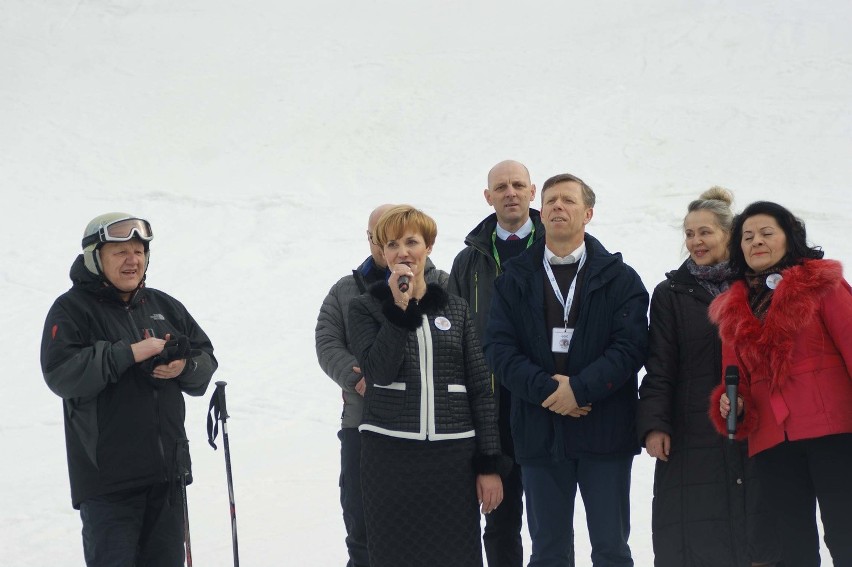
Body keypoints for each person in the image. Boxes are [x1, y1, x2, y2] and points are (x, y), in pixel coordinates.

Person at [485, 173, 649, 567]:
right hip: (539, 433)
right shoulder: (514, 279)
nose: (558, 206)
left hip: (605, 432)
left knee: (611, 549)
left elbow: (630, 348)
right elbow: (498, 348)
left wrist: (579, 390)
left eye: (569, 200)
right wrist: (548, 391)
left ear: (588, 213)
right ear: (542, 213)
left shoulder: (620, 278)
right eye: (552, 199)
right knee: (548, 553)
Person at [40, 213, 217, 567]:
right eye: (120, 252)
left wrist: (184, 367)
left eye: (139, 251)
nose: (132, 260)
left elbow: (205, 358)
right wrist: (128, 353)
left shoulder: (164, 305)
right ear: (95, 257)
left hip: (168, 480)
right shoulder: (71, 310)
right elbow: (61, 373)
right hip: (109, 485)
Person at [348, 205, 504, 567]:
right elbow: (379, 372)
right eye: (392, 244)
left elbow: (481, 389)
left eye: (412, 241)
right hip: (389, 457)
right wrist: (398, 308)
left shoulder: (457, 309)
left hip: (452, 458)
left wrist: (488, 464)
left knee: (457, 555)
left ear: (428, 247)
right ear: (383, 254)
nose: (403, 251)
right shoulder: (364, 308)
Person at [637, 188, 781, 566]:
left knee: (759, 533)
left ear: (728, 235)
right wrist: (655, 424)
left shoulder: (757, 287)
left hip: (756, 424)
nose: (695, 242)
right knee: (696, 532)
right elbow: (660, 366)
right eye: (689, 234)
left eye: (705, 232)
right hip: (692, 432)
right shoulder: (670, 294)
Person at [712, 201, 852, 566]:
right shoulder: (733, 307)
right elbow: (735, 379)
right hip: (773, 439)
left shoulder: (823, 285)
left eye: (766, 233)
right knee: (792, 546)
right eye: (747, 236)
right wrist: (733, 404)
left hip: (834, 432)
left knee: (845, 532)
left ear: (789, 238)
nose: (756, 241)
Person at [315, 203, 449, 567]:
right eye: (381, 237)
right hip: (362, 422)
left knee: (426, 528)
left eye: (399, 236)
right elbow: (327, 343)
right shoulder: (345, 291)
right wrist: (359, 378)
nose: (388, 244)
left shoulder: (442, 284)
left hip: (426, 427)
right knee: (362, 524)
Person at [449, 159, 568, 567]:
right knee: (498, 520)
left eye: (518, 185)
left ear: (533, 191)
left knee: (549, 520)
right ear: (488, 197)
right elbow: (454, 336)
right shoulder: (469, 261)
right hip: (490, 409)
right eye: (501, 187)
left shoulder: (557, 247)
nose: (510, 192)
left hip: (545, 401)